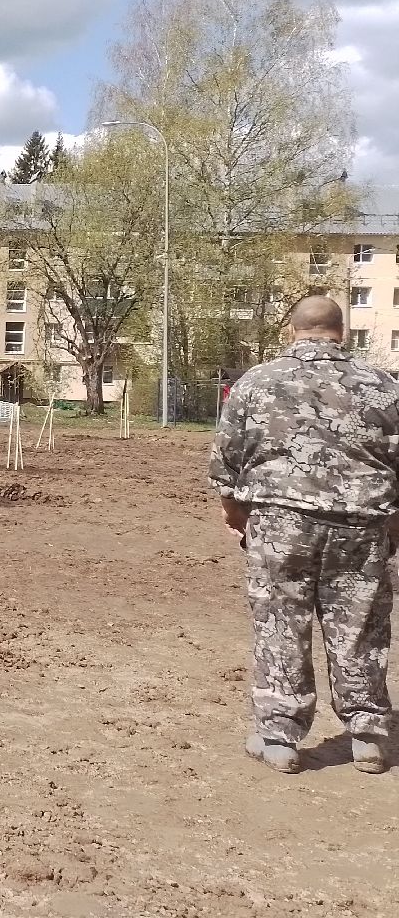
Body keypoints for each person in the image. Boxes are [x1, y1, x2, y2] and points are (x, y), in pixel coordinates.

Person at [209, 295, 398, 775]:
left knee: (280, 624)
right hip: (362, 524)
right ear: (342, 331)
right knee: (360, 628)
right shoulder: (383, 385)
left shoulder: (257, 381)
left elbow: (226, 461)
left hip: (280, 522)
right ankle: (367, 736)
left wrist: (236, 514)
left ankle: (279, 738)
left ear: (291, 330)